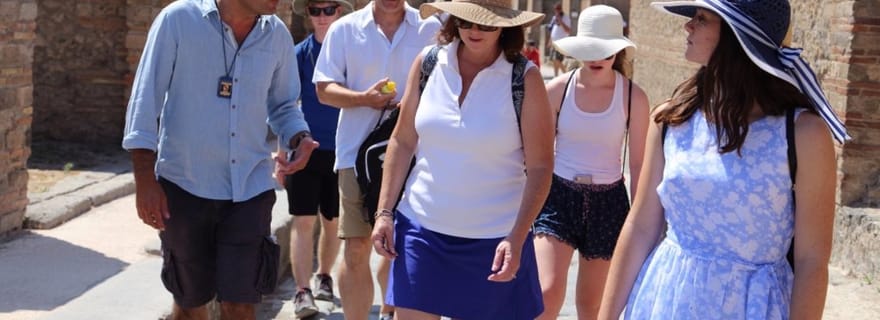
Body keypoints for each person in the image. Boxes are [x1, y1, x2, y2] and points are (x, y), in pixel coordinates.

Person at [598, 0, 849, 319]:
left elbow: (812, 260)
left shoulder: (803, 134)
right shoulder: (671, 120)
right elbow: (641, 227)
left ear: (737, 35)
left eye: (701, 18)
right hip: (665, 301)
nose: (687, 26)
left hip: (753, 307)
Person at [122, 0, 318, 319]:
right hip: (184, 187)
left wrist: (300, 137)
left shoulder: (277, 35)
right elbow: (145, 101)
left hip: (250, 190)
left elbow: (283, 105)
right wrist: (144, 178)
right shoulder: (178, 20)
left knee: (241, 305)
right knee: (190, 305)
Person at [370, 0, 553, 318]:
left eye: (486, 24)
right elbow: (402, 140)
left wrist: (518, 237)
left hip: (494, 240)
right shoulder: (428, 63)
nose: (474, 31)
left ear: (506, 26)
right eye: (466, 22)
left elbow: (540, 167)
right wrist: (384, 213)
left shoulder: (524, 78)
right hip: (421, 229)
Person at [312, 0, 441, 319]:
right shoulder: (344, 28)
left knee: (409, 249)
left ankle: (392, 311)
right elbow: (324, 89)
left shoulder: (432, 27)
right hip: (355, 156)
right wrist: (365, 100)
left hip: (419, 156)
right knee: (356, 250)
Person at [534, 5, 649, 320]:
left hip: (609, 203)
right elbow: (535, 153)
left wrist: (640, 222)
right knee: (546, 293)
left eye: (605, 50)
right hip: (558, 197)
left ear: (617, 51)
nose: (596, 57)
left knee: (592, 307)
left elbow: (639, 165)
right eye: (589, 49)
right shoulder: (557, 90)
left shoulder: (633, 97)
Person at [276, 0, 352, 318]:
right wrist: (281, 154)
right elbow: (283, 104)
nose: (322, 16)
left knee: (332, 222)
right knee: (303, 220)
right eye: (315, 10)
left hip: (342, 150)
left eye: (329, 9)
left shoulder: (351, 53)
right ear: (307, 15)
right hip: (304, 150)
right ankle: (302, 291)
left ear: (339, 12)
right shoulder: (298, 54)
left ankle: (324, 276)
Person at [546, 2, 571, 76]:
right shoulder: (554, 18)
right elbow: (553, 30)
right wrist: (550, 41)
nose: (557, 11)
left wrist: (561, 21)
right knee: (554, 60)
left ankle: (567, 75)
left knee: (557, 60)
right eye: (555, 9)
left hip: (561, 42)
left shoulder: (566, 18)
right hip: (554, 42)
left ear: (561, 9)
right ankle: (556, 76)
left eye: (558, 9)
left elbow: (568, 30)